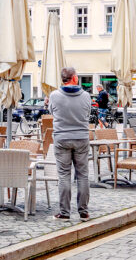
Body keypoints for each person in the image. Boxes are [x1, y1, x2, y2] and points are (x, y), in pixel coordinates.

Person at [49, 67, 92, 221]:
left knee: (64, 176)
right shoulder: (86, 96)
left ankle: (65, 213)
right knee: (82, 176)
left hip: (62, 139)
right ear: (74, 78)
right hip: (81, 138)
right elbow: (88, 114)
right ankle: (83, 212)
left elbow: (53, 113)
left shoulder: (54, 95)